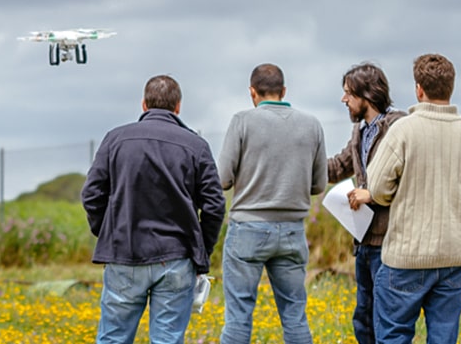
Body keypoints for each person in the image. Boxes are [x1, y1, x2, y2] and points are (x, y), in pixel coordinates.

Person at [81, 74, 226, 344]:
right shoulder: (196, 146)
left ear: (144, 104)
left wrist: (109, 232)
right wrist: (201, 251)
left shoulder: (115, 139)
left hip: (123, 252)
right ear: (178, 106)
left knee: (113, 338)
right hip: (176, 256)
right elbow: (215, 206)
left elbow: (91, 195)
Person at [218, 63, 327, 344]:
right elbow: (318, 185)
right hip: (292, 231)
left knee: (239, 316)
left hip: (247, 229)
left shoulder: (242, 120)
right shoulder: (312, 124)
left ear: (253, 93)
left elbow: (223, 179)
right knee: (294, 315)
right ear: (284, 91)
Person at [367, 53, 461, 343]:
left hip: (406, 256)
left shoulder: (404, 130)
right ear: (451, 87)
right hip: (456, 255)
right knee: (443, 337)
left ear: (418, 89)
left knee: (394, 335)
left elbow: (376, 189)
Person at [326, 62, 406, 344]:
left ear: (367, 95)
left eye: (348, 93)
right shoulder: (360, 132)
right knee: (363, 319)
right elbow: (337, 167)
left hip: (389, 241)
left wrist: (371, 193)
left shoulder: (399, 127)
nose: (343, 99)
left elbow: (405, 180)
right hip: (364, 243)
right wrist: (298, 165)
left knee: (388, 320)